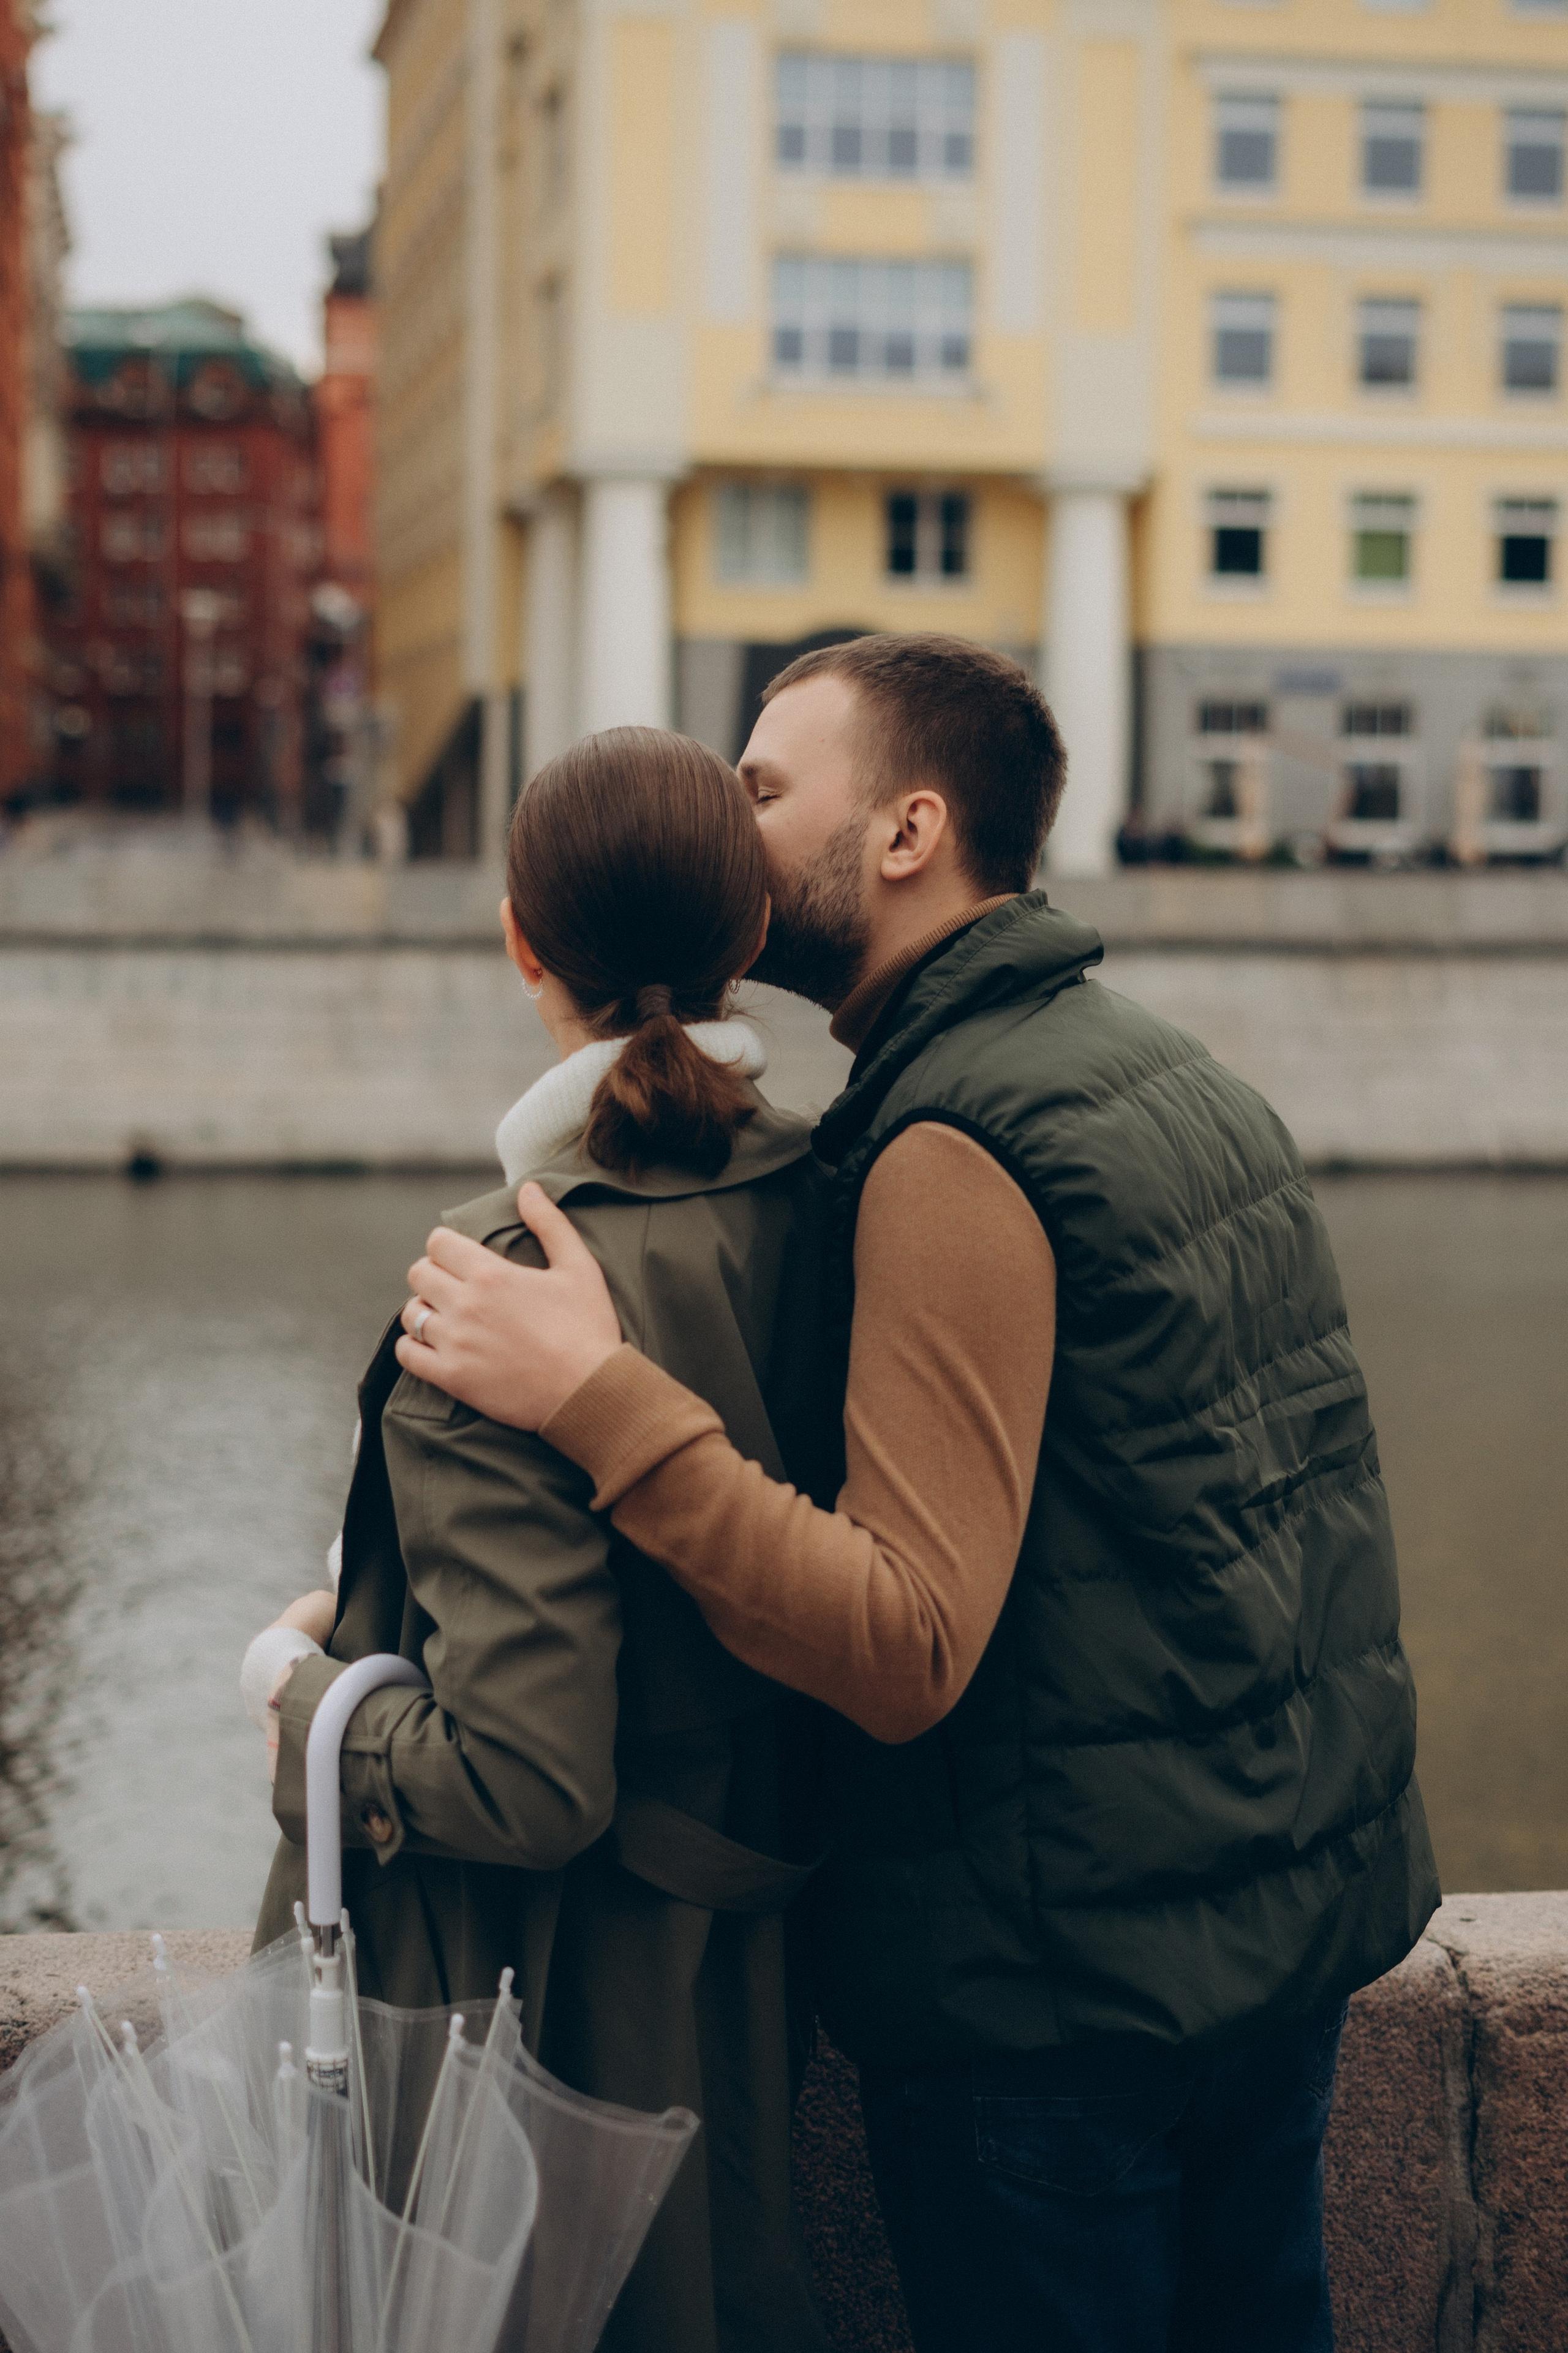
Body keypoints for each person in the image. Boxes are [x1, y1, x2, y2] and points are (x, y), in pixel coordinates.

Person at [393, 633, 1440, 2353]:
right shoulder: (1168, 1071)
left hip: (1062, 2019)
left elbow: (907, 1641)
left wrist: (601, 1402)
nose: (733, 829)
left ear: (906, 831)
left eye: (766, 787)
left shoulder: (958, 1138)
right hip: (1270, 1946)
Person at [243, 727, 836, 2353]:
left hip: (574, 2018)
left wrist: (299, 1690)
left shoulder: (496, 1297)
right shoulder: (847, 1198)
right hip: (785, 1964)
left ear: (520, 939)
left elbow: (528, 1780)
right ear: (753, 939)